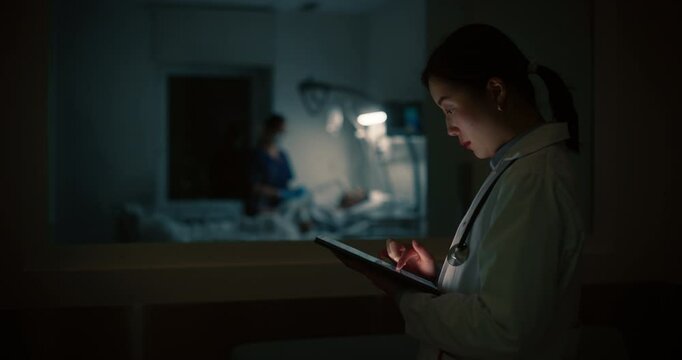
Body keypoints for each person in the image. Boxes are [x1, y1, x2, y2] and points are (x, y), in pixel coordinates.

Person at [336, 24, 585, 359]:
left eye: (449, 109)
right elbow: (501, 290)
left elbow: (503, 331)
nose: (449, 129)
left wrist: (405, 297)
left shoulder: (533, 179)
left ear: (496, 91)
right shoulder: (516, 169)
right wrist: (437, 280)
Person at [247, 114, 311, 233]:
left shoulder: (282, 156)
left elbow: (286, 182)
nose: (280, 135)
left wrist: (290, 194)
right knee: (287, 231)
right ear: (268, 130)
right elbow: (254, 187)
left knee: (304, 207)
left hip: (283, 206)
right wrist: (278, 193)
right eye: (278, 131)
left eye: (282, 132)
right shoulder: (257, 155)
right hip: (264, 208)